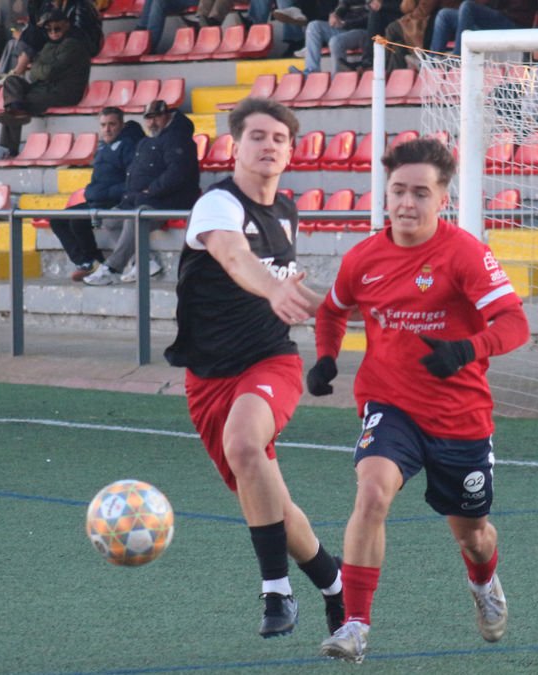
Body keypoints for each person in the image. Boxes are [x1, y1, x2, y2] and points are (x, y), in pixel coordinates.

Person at [310, 137, 530, 663]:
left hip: (460, 416)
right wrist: (325, 357)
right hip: (390, 405)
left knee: (472, 534)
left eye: (421, 193)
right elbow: (332, 310)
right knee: (372, 493)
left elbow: (515, 324)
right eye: (398, 191)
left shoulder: (465, 254)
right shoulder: (364, 257)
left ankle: (483, 582)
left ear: (442, 198)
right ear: (386, 193)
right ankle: (356, 624)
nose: (408, 203)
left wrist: (466, 350)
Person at [163, 97, 344, 640]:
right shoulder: (216, 204)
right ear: (235, 147)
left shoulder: (286, 212)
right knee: (274, 502)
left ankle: (276, 592)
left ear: (290, 152)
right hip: (208, 378)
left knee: (245, 446)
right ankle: (336, 587)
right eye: (257, 136)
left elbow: (281, 281)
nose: (268, 145)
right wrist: (275, 288)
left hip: (270, 359)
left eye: (279, 139)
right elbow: (234, 257)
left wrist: (333, 305)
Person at [83, 99, 201, 285]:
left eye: (157, 117)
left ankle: (112, 268)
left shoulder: (178, 139)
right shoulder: (146, 141)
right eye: (148, 118)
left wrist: (151, 190)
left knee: (136, 218)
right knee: (110, 219)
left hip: (169, 201)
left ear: (167, 116)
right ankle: (143, 262)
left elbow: (177, 174)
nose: (152, 122)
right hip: (143, 199)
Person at [50, 106, 143, 281]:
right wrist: (93, 191)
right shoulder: (102, 148)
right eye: (103, 125)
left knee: (77, 222)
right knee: (57, 219)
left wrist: (104, 193)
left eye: (112, 124)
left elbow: (133, 182)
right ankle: (88, 262)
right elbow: (97, 181)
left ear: (121, 125)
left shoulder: (129, 146)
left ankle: (96, 263)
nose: (107, 129)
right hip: (97, 200)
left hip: (114, 201)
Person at [0, 10, 92, 157]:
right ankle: (17, 111)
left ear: (66, 26)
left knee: (17, 103)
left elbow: (48, 72)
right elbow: (34, 75)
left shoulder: (73, 45)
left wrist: (38, 68)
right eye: (49, 29)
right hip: (44, 88)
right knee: (12, 82)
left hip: (63, 93)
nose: (53, 32)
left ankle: (12, 147)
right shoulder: (48, 46)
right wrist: (39, 69)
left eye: (57, 28)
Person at [429, 0, 538, 55]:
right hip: (499, 17)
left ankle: (458, 57)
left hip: (515, 24)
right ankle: (433, 62)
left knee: (468, 7)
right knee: (444, 15)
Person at [294, 0, 370, 75]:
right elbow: (343, 5)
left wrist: (345, 23)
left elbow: (370, 17)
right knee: (313, 26)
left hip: (363, 31)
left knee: (335, 41)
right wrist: (336, 15)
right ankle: (311, 71)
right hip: (345, 28)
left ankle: (337, 79)